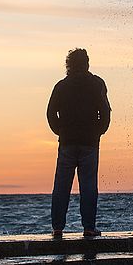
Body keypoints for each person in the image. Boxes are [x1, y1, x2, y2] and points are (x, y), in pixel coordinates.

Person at [46, 48, 111, 239]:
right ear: (87, 63)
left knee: (61, 186)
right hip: (89, 142)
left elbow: (50, 113)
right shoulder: (97, 83)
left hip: (67, 142)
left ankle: (58, 227)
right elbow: (106, 111)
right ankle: (89, 228)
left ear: (68, 64)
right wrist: (99, 131)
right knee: (89, 186)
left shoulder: (61, 86)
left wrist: (60, 131)